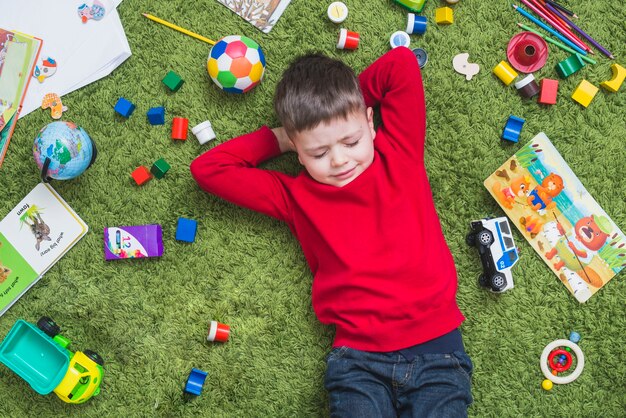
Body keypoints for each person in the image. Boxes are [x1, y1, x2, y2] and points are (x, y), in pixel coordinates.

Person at [190, 46, 473, 417]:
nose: (339, 160)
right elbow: (209, 169)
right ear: (298, 151)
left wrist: (345, 107)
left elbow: (401, 64)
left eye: (352, 142)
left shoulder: (399, 152)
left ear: (371, 124)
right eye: (318, 153)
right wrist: (280, 137)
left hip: (439, 354)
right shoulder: (293, 196)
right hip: (359, 365)